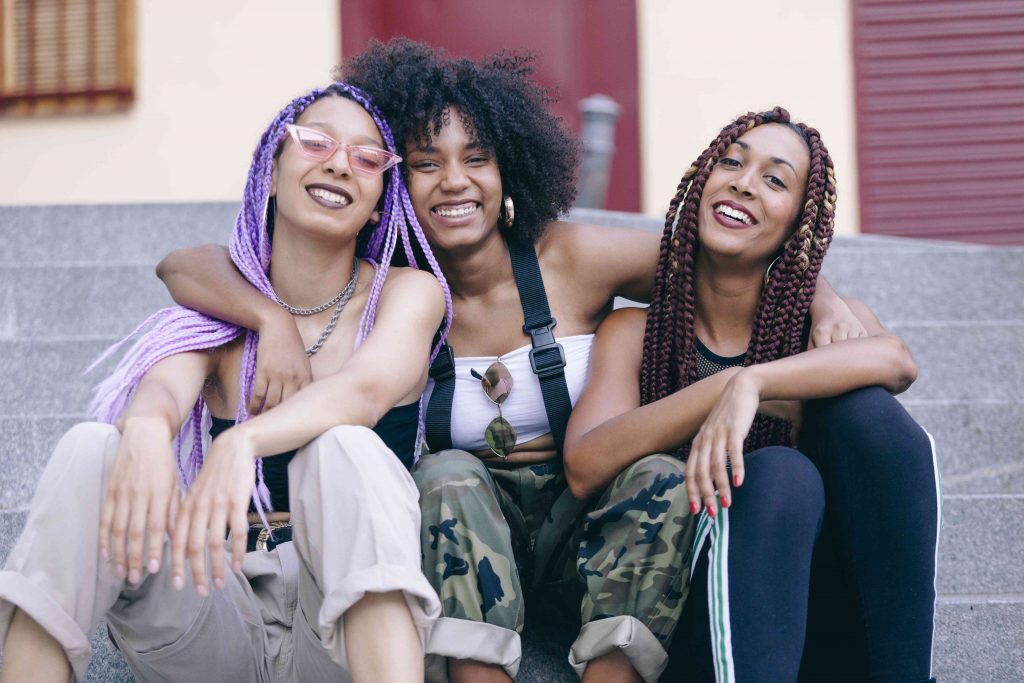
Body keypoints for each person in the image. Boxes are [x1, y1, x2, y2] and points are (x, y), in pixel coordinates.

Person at [153, 40, 866, 683]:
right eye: (426, 163)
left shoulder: (572, 257)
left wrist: (821, 297)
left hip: (587, 533)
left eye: (476, 158)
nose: (453, 182)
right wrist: (267, 315)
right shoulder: (388, 282)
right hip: (459, 540)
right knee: (446, 471)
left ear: (511, 167)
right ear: (397, 183)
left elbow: (720, 255)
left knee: (659, 473)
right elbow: (186, 263)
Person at [0, 82, 449, 683]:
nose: (340, 163)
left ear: (376, 204)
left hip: (342, 629)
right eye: (316, 143)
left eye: (367, 157)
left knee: (344, 445)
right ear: (271, 171)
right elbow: (162, 387)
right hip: (214, 609)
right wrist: (141, 429)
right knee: (92, 446)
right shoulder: (224, 307)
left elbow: (363, 393)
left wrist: (242, 440)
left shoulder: (406, 293)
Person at [564, 107, 941, 682]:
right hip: (695, 619)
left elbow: (896, 360)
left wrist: (755, 380)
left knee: (869, 415)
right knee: (782, 473)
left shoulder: (826, 326)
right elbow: (585, 464)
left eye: (775, 179)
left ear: (798, 224)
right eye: (732, 162)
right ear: (700, 185)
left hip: (822, 623)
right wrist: (721, 389)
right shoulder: (637, 332)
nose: (743, 181)